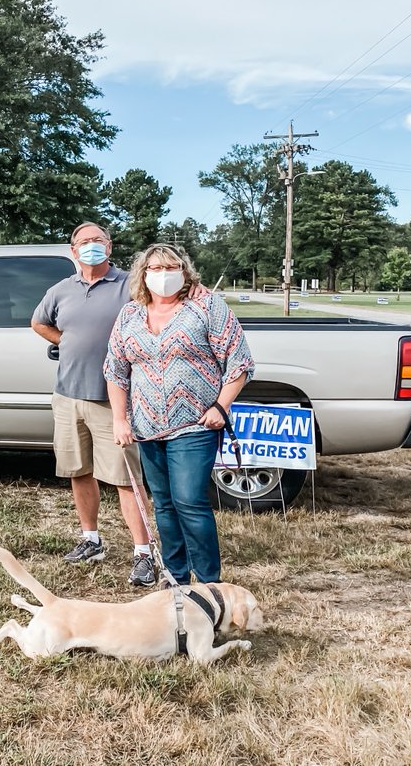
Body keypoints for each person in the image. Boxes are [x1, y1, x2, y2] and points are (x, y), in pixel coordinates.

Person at [104, 243, 254, 586]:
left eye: (171, 267)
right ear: (143, 275)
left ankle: (209, 583)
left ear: (185, 272)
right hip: (146, 429)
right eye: (155, 268)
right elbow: (115, 370)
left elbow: (240, 362)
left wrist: (221, 406)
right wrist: (120, 419)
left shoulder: (206, 307)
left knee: (189, 501)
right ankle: (176, 578)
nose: (163, 274)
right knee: (164, 504)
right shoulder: (130, 314)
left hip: (195, 425)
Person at [31, 222, 157, 587]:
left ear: (110, 246)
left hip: (112, 402)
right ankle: (91, 540)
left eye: (97, 240)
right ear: (73, 251)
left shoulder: (129, 286)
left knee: (125, 480)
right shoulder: (61, 290)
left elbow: (156, 320)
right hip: (68, 396)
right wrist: (67, 340)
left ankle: (143, 553)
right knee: (79, 472)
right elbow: (38, 322)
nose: (90, 246)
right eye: (83, 242)